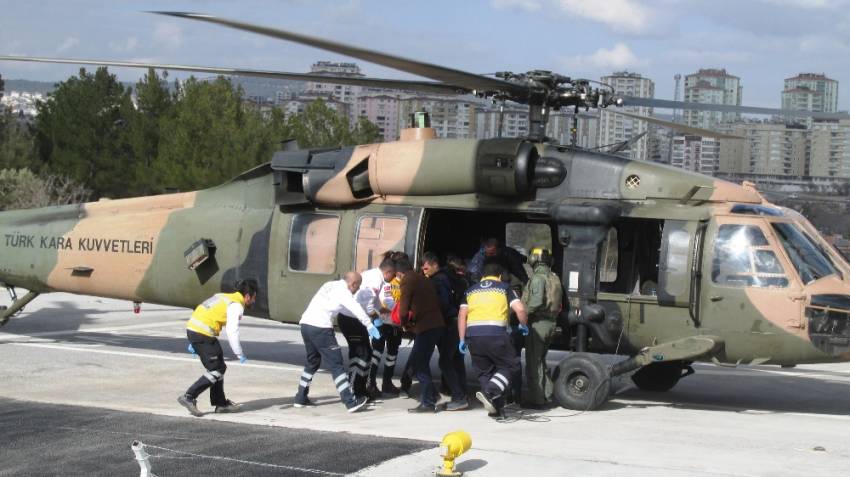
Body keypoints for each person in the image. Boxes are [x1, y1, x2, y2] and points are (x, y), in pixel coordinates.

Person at [294, 272, 381, 413]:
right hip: (321, 328)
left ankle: (300, 397)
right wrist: (369, 325)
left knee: (312, 362)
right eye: (357, 287)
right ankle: (350, 402)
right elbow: (355, 308)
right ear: (352, 284)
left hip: (306, 325)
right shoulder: (344, 292)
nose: (357, 290)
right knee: (336, 364)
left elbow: (346, 308)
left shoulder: (329, 285)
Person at [458, 262, 529, 420]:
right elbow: (521, 309)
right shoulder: (504, 288)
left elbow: (462, 315)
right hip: (496, 334)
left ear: (482, 276)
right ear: (499, 276)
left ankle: (494, 408)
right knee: (511, 366)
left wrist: (462, 339)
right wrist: (523, 324)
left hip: (473, 336)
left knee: (485, 371)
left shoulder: (470, 291)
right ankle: (490, 392)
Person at [178, 279, 258, 417]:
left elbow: (203, 309)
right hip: (202, 334)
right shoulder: (236, 305)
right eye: (254, 298)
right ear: (247, 296)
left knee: (219, 365)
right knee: (217, 369)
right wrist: (239, 353)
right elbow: (232, 331)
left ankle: (220, 403)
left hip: (197, 330)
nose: (254, 301)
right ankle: (189, 396)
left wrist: (193, 336)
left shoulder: (223, 296)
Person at [396, 257, 446, 413]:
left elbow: (403, 310)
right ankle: (432, 394)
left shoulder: (407, 280)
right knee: (421, 361)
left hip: (425, 327)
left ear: (399, 273)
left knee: (419, 365)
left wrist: (404, 324)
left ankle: (428, 402)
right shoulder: (423, 279)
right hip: (436, 325)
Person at [421, 252, 468, 411]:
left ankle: (459, 397)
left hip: (448, 324)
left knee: (445, 361)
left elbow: (443, 303)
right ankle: (461, 392)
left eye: (426, 266)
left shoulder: (437, 280)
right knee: (456, 359)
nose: (423, 269)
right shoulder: (449, 277)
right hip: (457, 322)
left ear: (435, 264)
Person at [522, 248, 562, 409]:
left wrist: (522, 314)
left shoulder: (538, 278)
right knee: (541, 362)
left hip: (538, 324)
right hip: (551, 323)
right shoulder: (553, 277)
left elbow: (536, 302)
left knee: (533, 363)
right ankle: (547, 394)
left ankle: (537, 400)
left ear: (534, 259)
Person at [361, 253, 403, 397]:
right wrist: (381, 315)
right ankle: (370, 382)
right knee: (376, 352)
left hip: (392, 322)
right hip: (383, 321)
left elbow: (379, 302)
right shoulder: (382, 280)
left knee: (392, 353)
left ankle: (386, 382)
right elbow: (378, 299)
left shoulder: (394, 279)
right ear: (390, 270)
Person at [338, 283, 377, 400]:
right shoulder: (374, 282)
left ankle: (361, 389)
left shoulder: (377, 281)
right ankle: (353, 390)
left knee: (367, 354)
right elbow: (368, 308)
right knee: (359, 354)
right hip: (351, 320)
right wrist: (373, 321)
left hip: (356, 320)